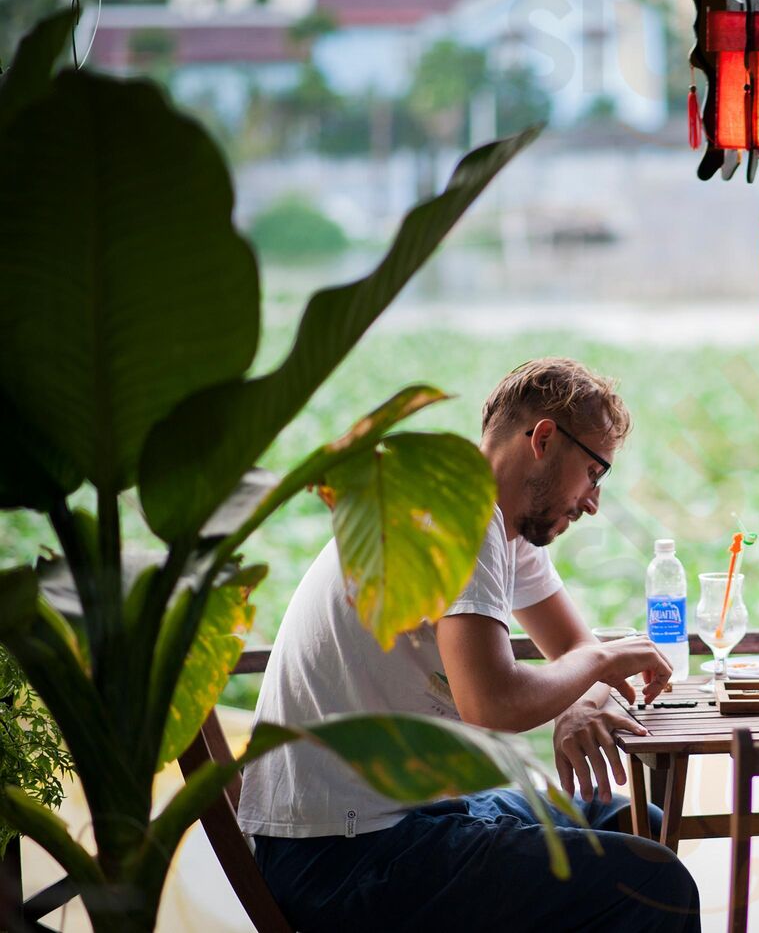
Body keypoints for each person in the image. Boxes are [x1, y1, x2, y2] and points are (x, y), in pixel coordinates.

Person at [239, 357, 701, 932]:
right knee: (654, 880)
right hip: (343, 854)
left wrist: (582, 685)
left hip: (410, 820)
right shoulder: (462, 516)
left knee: (637, 821)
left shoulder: (504, 530)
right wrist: (596, 665)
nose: (592, 501)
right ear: (544, 438)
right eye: (594, 471)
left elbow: (574, 652)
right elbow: (495, 702)